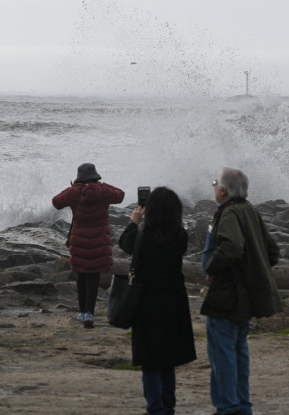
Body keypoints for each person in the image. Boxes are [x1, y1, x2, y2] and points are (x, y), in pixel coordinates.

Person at [201, 167, 282, 415]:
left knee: (223, 354)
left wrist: (212, 270)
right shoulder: (251, 211)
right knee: (238, 351)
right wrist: (252, 271)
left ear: (223, 191)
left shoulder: (229, 213)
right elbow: (272, 252)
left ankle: (228, 407)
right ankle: (242, 405)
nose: (214, 187)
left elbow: (232, 247)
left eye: (215, 184)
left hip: (227, 295)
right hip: (244, 296)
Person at [118, 187, 196, 414]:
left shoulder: (142, 237)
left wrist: (134, 221)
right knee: (167, 360)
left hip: (146, 304)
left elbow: (124, 243)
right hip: (174, 303)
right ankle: (168, 407)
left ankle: (155, 408)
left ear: (151, 211)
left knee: (150, 362)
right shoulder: (180, 237)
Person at [52, 163, 124, 328]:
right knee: (94, 276)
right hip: (99, 240)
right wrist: (103, 185)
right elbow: (120, 195)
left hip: (79, 240)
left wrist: (71, 188)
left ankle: (82, 312)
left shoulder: (74, 193)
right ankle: (89, 314)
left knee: (81, 275)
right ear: (96, 176)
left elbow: (56, 202)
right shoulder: (103, 191)